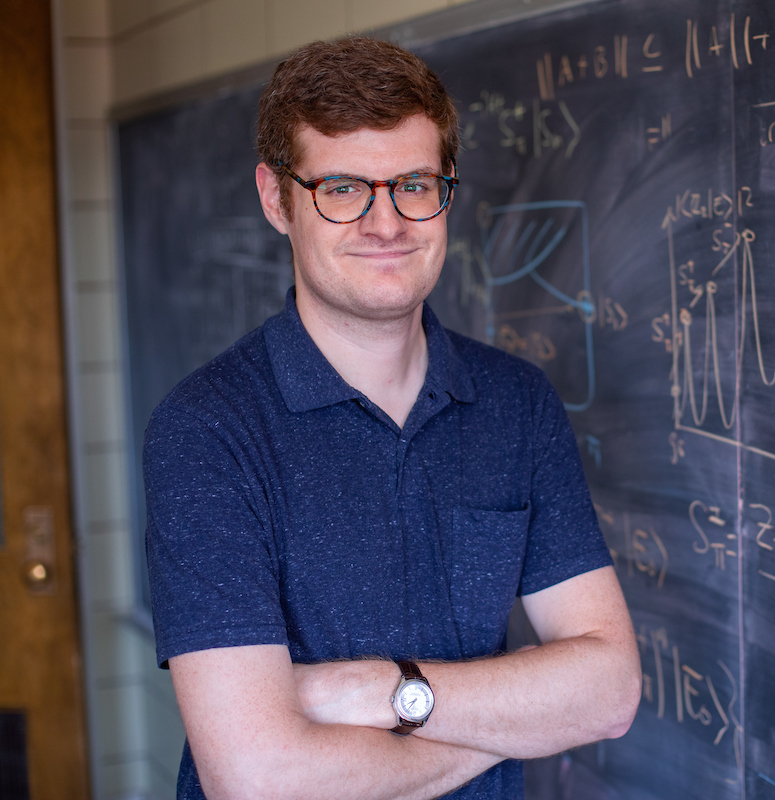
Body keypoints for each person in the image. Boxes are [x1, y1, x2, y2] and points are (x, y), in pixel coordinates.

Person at [143, 36, 641, 800]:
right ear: (278, 200)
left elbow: (608, 691)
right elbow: (259, 777)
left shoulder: (517, 403)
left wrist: (378, 690)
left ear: (445, 189)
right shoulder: (206, 431)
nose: (387, 222)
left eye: (413, 183)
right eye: (342, 188)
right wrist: (515, 722)